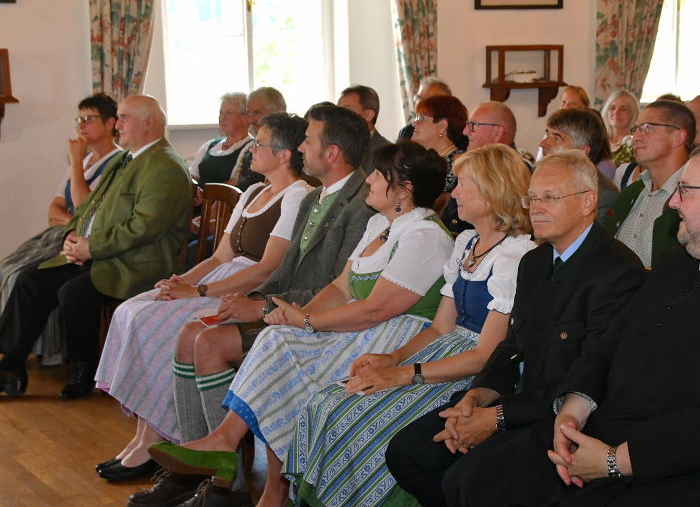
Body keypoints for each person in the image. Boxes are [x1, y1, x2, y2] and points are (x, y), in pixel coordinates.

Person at [444, 142, 700, 507]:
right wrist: (572, 409)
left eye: (685, 191)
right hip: (609, 431)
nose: (673, 203)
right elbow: (610, 343)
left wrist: (615, 461)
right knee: (476, 483)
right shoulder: (677, 263)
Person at [149, 141, 454, 507]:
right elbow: (342, 286)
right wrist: (298, 319)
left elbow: (377, 309)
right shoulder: (380, 223)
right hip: (359, 326)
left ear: (403, 189)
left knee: (285, 353)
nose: (369, 179)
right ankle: (239, 459)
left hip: (394, 338)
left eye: (378, 174)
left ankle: (241, 461)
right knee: (279, 336)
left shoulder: (425, 236)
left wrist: (307, 320)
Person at [123, 103, 374, 507]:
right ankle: (196, 464)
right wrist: (250, 299)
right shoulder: (316, 200)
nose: (302, 147)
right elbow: (285, 272)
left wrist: (261, 307)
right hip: (284, 307)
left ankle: (228, 483)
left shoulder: (360, 205)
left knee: (209, 343)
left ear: (332, 153)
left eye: (309, 141)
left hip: (322, 323)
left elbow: (337, 287)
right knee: (189, 332)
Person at [386, 150, 647, 507]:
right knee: (406, 452)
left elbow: (588, 374)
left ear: (588, 202)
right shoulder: (535, 261)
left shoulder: (617, 272)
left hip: (562, 415)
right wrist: (477, 397)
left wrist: (496, 418)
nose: (535, 208)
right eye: (532, 198)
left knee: (465, 482)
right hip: (513, 396)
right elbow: (511, 346)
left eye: (550, 198)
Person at [286, 144, 536, 507]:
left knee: (353, 418)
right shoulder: (468, 242)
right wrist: (393, 359)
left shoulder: (515, 255)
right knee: (328, 401)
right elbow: (439, 329)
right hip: (440, 353)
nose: (454, 193)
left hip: (473, 375)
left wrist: (405, 375)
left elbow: (486, 355)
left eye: (465, 184)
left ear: (494, 191)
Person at [92, 113, 312, 482]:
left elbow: (267, 269)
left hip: (247, 288)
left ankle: (161, 437)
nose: (252, 149)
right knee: (136, 308)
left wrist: (198, 292)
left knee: (157, 323)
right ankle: (145, 432)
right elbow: (219, 256)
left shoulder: (297, 196)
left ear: (285, 155)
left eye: (260, 143)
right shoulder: (256, 192)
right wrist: (177, 283)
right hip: (220, 277)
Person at [0, 95, 193, 399]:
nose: (119, 125)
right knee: (30, 280)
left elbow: (144, 228)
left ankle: (84, 368)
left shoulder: (165, 165)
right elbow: (89, 206)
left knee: (72, 292)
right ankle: (10, 367)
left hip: (140, 262)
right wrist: (74, 238)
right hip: (106, 253)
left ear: (149, 123)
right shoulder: (126, 158)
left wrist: (92, 247)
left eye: (125, 117)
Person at [0, 94, 121, 358]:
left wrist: (76, 163)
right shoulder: (84, 161)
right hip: (66, 235)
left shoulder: (117, 163)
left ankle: (33, 355)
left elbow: (86, 207)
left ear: (111, 122)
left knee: (24, 275)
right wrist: (74, 222)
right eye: (79, 119)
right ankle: (14, 359)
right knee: (8, 269)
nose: (81, 125)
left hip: (91, 248)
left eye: (89, 119)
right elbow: (54, 209)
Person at [602, 99, 694, 268]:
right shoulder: (633, 191)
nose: (635, 137)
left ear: (678, 137)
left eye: (646, 128)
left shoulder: (695, 197)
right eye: (635, 129)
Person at [441, 101, 520, 234]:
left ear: (497, 132)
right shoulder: (470, 165)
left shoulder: (514, 172)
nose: (465, 132)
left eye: (473, 125)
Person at [538, 108, 619, 208]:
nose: (543, 143)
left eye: (556, 138)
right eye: (547, 134)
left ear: (582, 152)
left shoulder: (603, 197)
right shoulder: (539, 180)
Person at [189, 93, 252, 188]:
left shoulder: (252, 148)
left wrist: (207, 197)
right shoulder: (209, 145)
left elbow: (236, 183)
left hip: (225, 201)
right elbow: (191, 177)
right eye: (221, 113)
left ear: (246, 118)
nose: (223, 117)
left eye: (228, 113)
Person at [231, 87, 288, 190]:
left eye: (257, 113)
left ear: (278, 113)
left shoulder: (288, 147)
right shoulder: (249, 147)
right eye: (249, 113)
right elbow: (235, 183)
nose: (251, 120)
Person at [411, 94, 468, 193]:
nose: (414, 123)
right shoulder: (419, 161)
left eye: (422, 118)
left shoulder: (460, 165)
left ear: (442, 126)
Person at [338, 85, 390, 173]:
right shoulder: (335, 146)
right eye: (338, 110)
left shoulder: (387, 153)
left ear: (369, 115)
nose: (339, 116)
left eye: (346, 110)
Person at [397, 77, 453, 141]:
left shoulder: (457, 134)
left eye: (428, 100)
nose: (420, 103)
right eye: (419, 97)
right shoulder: (407, 132)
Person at [600, 90, 639, 166]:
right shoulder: (599, 141)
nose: (616, 112)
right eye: (613, 107)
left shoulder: (634, 146)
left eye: (623, 109)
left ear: (633, 114)